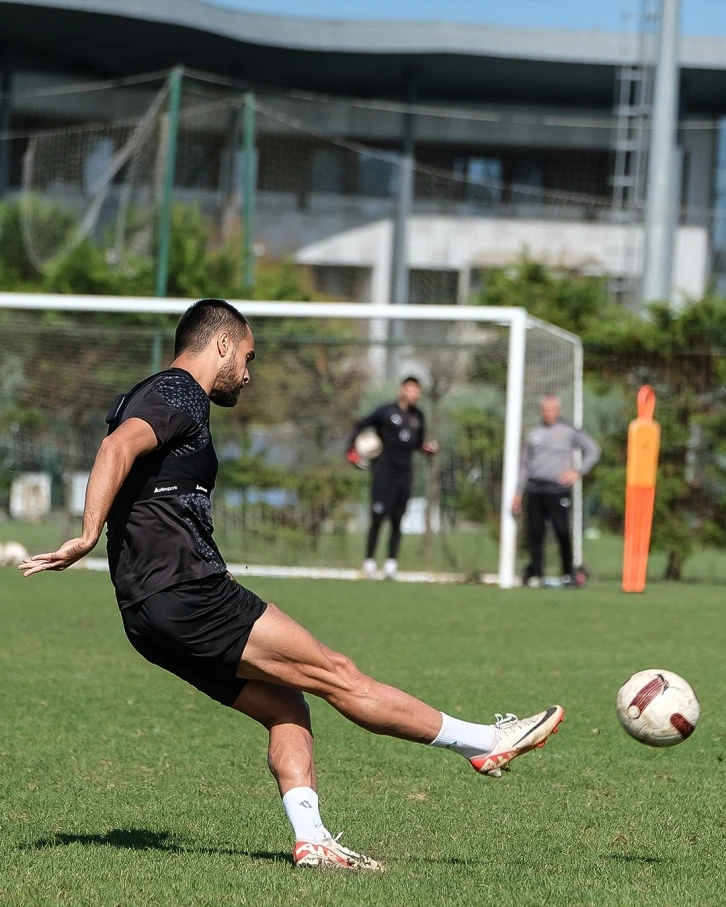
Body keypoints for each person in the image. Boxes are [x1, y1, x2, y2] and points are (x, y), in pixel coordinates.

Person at [19, 299, 564, 873]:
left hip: (146, 615)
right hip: (189, 592)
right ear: (222, 344)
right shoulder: (178, 391)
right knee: (338, 673)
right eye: (247, 357)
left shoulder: (156, 394)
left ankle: (312, 839)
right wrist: (86, 535)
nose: (248, 374)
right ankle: (483, 743)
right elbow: (116, 447)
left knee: (286, 706)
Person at [347, 377, 439, 581]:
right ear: (402, 390)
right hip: (383, 473)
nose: (414, 394)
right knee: (378, 518)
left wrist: (427, 449)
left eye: (417, 391)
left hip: (404, 475)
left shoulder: (418, 416)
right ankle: (369, 564)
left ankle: (390, 566)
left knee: (398, 520)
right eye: (410, 389)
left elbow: (417, 443)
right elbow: (360, 425)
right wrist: (351, 450)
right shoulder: (385, 411)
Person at [513, 394, 601, 588]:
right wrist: (519, 491)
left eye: (552, 409)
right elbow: (524, 464)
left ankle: (568, 574)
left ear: (558, 410)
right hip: (535, 489)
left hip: (558, 490)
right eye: (545, 409)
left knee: (562, 530)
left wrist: (578, 472)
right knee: (535, 533)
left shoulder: (568, 431)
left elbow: (593, 450)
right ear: (541, 411)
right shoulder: (533, 433)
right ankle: (535, 573)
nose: (548, 413)